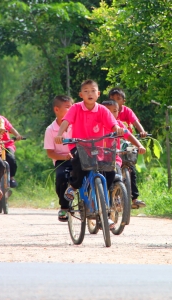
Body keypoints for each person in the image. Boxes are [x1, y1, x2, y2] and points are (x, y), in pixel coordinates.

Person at [54, 79, 124, 229]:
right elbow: (66, 121)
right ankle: (73, 186)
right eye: (86, 91)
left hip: (98, 147)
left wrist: (117, 129)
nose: (89, 94)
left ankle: (106, 212)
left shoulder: (102, 110)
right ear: (81, 95)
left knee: (110, 171)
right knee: (79, 165)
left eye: (93, 91)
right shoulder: (76, 108)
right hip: (79, 145)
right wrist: (60, 134)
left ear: (98, 94)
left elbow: (113, 123)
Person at [101, 100, 147, 207]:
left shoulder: (119, 125)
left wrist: (140, 145)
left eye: (115, 111)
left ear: (118, 112)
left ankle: (116, 195)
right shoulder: (97, 125)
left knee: (116, 173)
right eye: (108, 111)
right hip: (98, 158)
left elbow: (129, 136)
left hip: (114, 158)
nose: (111, 114)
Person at [44, 95, 74, 222]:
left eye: (72, 107)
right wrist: (64, 156)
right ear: (57, 109)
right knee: (61, 177)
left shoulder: (76, 124)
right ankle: (64, 207)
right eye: (68, 107)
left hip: (78, 155)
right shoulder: (51, 130)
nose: (71, 109)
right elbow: (50, 153)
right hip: (61, 160)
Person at [0, 99, 23, 188]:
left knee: (11, 158)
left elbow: (11, 128)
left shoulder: (1, 119)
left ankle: (11, 177)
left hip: (6, 144)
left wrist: (17, 135)